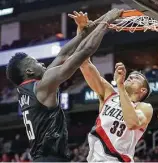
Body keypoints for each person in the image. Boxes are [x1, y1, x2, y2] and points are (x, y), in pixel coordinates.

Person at [6, 9, 122, 162]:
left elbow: (63, 55)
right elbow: (85, 51)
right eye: (36, 62)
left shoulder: (27, 89)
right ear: (29, 71)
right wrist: (107, 20)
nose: (41, 63)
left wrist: (83, 31)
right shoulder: (42, 86)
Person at [80, 59, 153, 161]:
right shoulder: (109, 95)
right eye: (130, 75)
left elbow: (132, 123)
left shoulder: (144, 107)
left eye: (137, 78)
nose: (131, 76)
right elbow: (85, 65)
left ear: (143, 90)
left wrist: (120, 86)